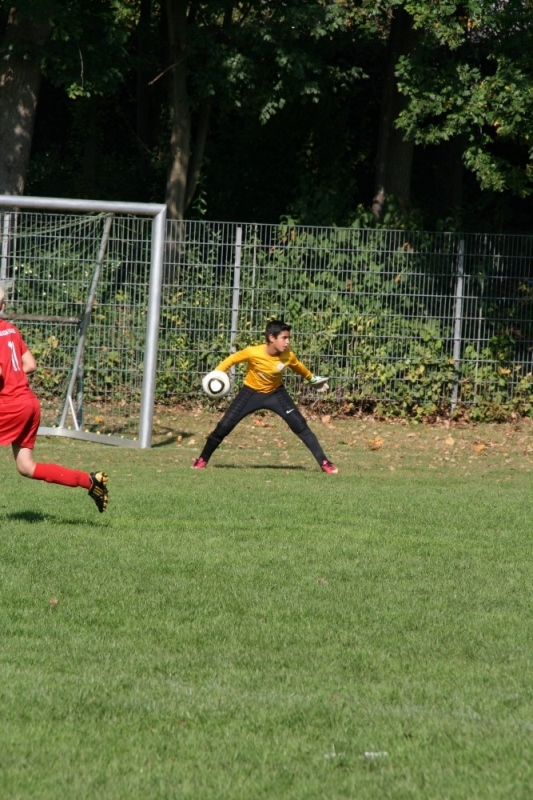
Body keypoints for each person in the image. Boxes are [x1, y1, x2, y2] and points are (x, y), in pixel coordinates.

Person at [0, 286, 109, 512]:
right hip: (29, 403)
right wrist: (13, 376)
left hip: (10, 404)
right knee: (26, 466)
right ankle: (90, 481)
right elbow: (30, 364)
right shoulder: (10, 329)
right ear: (2, 305)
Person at [193, 319, 338, 474]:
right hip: (250, 393)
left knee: (300, 425)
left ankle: (324, 463)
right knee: (224, 426)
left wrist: (311, 379)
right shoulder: (253, 352)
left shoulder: (288, 355)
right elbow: (232, 359)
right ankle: (202, 459)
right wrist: (216, 374)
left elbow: (298, 366)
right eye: (284, 338)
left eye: (288, 338)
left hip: (276, 393)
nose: (287, 342)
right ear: (271, 338)